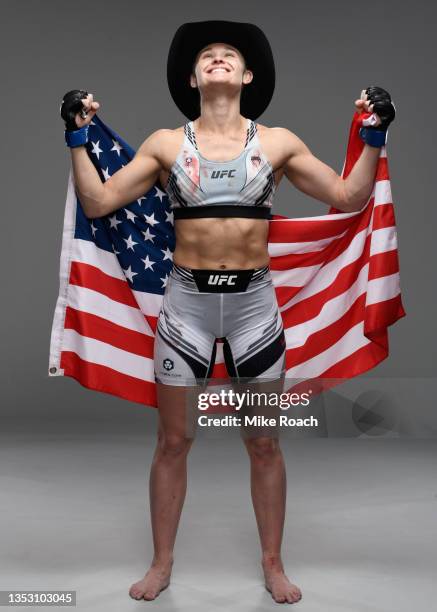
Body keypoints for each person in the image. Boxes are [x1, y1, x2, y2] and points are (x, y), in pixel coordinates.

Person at [59, 20, 395, 605]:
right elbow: (99, 200)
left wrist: (373, 137)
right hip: (185, 307)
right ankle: (161, 564)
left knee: (264, 445)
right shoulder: (165, 144)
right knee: (172, 443)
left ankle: (273, 563)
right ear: (193, 78)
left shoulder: (278, 143)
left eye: (228, 55)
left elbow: (348, 197)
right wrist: (76, 138)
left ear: (247, 76)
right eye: (206, 56)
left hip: (253, 312)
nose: (217, 59)